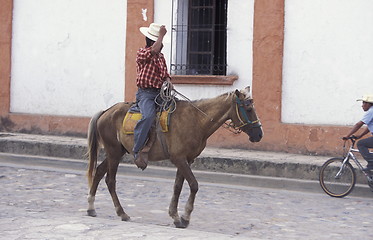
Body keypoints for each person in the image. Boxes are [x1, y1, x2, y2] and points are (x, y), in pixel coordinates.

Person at [132, 23, 172, 170]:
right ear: (152, 41)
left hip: (159, 93)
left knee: (177, 112)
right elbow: (154, 50)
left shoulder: (161, 57)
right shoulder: (142, 52)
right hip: (146, 94)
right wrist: (161, 35)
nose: (161, 46)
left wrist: (168, 81)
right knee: (148, 116)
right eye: (159, 42)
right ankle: (137, 150)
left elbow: (165, 74)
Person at [343, 94, 373, 171]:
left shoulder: (370, 112)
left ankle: (371, 162)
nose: (362, 105)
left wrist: (347, 135)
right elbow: (369, 127)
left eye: (364, 103)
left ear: (369, 104)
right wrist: (360, 135)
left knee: (361, 144)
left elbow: (358, 125)